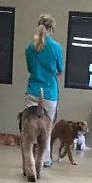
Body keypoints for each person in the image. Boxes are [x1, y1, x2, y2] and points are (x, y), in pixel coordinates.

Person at [25, 13, 63, 166]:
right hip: (49, 93)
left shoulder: (29, 47)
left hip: (32, 91)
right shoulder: (56, 47)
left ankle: (30, 159)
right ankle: (45, 160)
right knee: (46, 128)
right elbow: (60, 70)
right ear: (51, 29)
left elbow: (30, 69)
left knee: (29, 128)